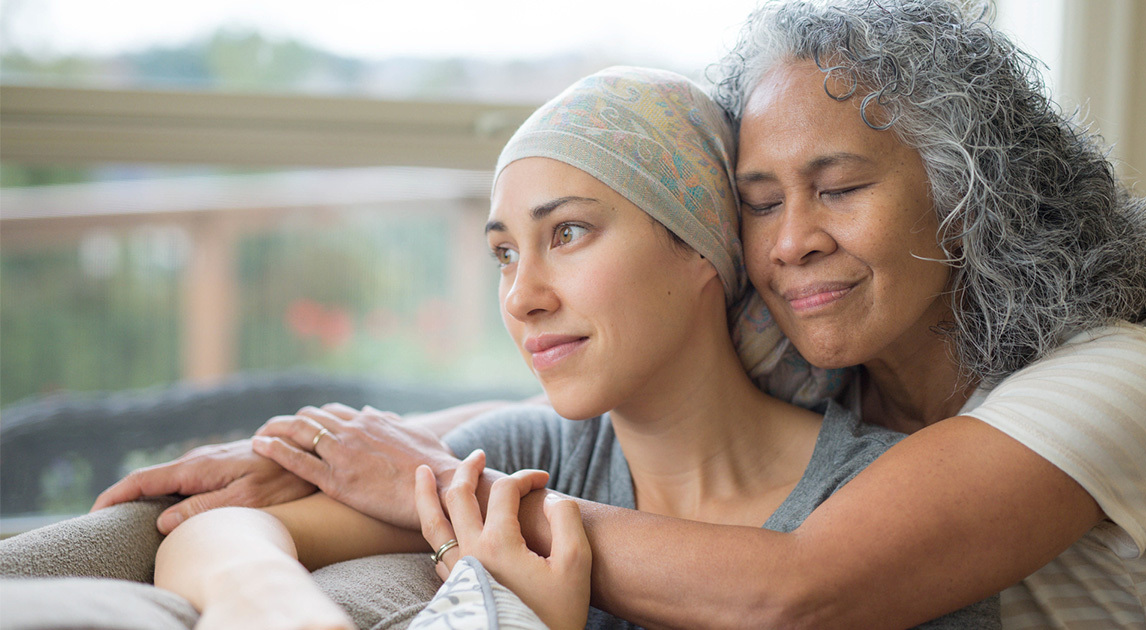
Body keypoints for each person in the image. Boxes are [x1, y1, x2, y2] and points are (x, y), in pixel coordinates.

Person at [95, 1, 1146, 628]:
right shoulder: (817, 348)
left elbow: (797, 586)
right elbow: (572, 407)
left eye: (841, 187)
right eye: (759, 201)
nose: (788, 240)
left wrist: (434, 483)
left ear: (969, 191)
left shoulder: (1109, 383)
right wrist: (325, 444)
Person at [150, 66, 998, 629]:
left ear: (702, 247)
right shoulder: (529, 462)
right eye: (505, 253)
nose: (523, 297)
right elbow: (222, 533)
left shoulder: (877, 513)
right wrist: (272, 606)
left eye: (571, 232)